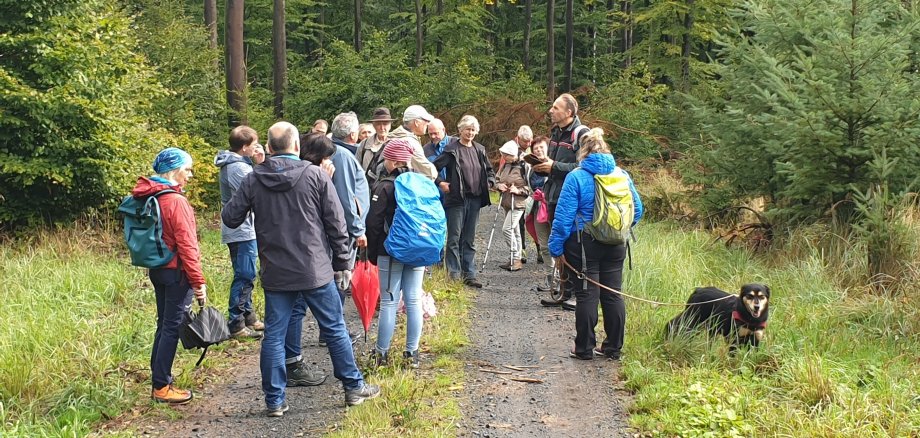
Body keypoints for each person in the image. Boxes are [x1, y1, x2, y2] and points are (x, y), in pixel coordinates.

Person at [222, 122, 379, 417]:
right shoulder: (316, 175)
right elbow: (336, 223)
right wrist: (342, 264)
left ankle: (274, 401)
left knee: (274, 335)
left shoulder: (254, 178)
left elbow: (230, 217)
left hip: (276, 271)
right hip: (314, 268)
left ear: (268, 148)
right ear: (296, 146)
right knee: (334, 328)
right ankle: (353, 387)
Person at [547, 128, 643, 360]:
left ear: (583, 152)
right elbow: (637, 210)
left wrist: (556, 247)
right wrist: (617, 229)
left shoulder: (577, 177)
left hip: (583, 244)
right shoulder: (622, 175)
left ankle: (584, 348)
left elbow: (563, 218)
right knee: (612, 294)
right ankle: (612, 348)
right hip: (617, 244)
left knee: (587, 295)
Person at [133, 147, 207, 404]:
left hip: (158, 269)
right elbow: (188, 246)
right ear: (174, 170)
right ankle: (162, 387)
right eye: (187, 169)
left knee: (164, 325)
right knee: (172, 328)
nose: (190, 174)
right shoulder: (175, 201)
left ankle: (159, 379)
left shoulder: (151, 195)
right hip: (177, 273)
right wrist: (198, 282)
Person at [365, 140, 428, 368]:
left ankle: (381, 354)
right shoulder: (421, 183)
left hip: (390, 251)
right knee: (413, 300)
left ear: (392, 160)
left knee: (390, 302)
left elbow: (373, 222)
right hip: (419, 248)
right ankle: (412, 353)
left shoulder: (385, 186)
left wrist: (373, 253)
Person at [534, 93, 590, 308]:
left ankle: (577, 295)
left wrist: (553, 166)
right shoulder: (555, 132)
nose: (551, 111)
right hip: (553, 197)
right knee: (559, 246)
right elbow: (555, 164)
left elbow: (585, 167)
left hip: (572, 201)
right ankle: (564, 293)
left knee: (574, 247)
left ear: (569, 112)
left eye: (556, 108)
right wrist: (542, 165)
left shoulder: (581, 134)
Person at [214, 126, 265, 340]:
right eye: (254, 145)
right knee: (245, 274)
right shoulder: (237, 169)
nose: (256, 148)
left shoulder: (239, 164)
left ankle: (249, 317)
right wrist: (261, 165)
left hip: (242, 228)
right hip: (241, 230)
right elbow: (257, 191)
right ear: (244, 147)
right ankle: (236, 323)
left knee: (246, 272)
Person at [433, 115, 495, 288]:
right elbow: (432, 169)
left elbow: (490, 171)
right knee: (454, 237)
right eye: (467, 129)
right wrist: (440, 183)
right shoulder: (451, 149)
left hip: (475, 199)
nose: (471, 132)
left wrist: (490, 182)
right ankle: (453, 273)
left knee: (469, 238)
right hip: (456, 199)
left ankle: (469, 274)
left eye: (473, 130)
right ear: (460, 130)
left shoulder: (479, 149)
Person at [494, 141, 531, 271]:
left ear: (512, 154)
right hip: (507, 202)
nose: (504, 158)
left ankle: (515, 258)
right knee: (515, 231)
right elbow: (497, 179)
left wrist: (519, 190)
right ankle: (515, 258)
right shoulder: (506, 165)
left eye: (506, 155)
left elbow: (530, 187)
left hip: (519, 203)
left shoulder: (524, 165)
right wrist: (499, 186)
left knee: (507, 229)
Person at [527, 137, 555, 289]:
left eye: (541, 147)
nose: (538, 150)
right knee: (544, 244)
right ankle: (550, 277)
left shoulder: (555, 166)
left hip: (554, 208)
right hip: (538, 209)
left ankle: (560, 278)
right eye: (535, 148)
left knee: (556, 243)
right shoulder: (531, 168)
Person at [387, 105, 439, 180]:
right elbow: (428, 172)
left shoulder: (393, 137)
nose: (427, 123)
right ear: (417, 122)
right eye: (426, 120)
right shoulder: (410, 142)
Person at [355, 107, 395, 185]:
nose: (382, 128)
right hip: (367, 188)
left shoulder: (397, 144)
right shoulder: (364, 144)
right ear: (373, 125)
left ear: (390, 125)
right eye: (378, 124)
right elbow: (356, 168)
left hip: (388, 188)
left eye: (385, 124)